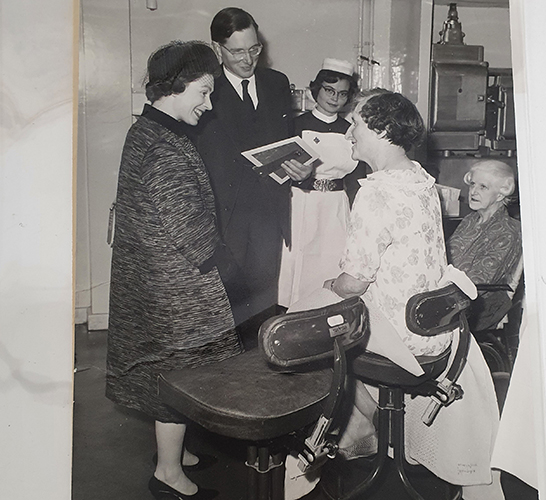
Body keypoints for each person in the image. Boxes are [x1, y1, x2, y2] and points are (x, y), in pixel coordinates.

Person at [320, 89, 504, 500]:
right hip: (437, 328)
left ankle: (365, 432)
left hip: (400, 340)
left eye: (357, 124)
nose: (349, 132)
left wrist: (331, 285)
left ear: (383, 131)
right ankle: (383, 432)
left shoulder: (376, 193)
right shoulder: (420, 178)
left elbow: (355, 280)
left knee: (313, 331)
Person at [105, 41, 243, 500]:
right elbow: (188, 228)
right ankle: (167, 472)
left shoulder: (148, 130)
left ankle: (175, 452)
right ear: (174, 87)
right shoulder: (164, 148)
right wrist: (228, 265)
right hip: (173, 284)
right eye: (202, 93)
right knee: (178, 376)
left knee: (173, 373)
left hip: (154, 274)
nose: (208, 105)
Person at [188, 7, 312, 331]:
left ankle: (261, 374)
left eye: (254, 49)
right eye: (237, 51)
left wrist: (300, 170)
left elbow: (286, 144)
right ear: (218, 49)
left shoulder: (276, 83)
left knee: (263, 306)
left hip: (269, 213)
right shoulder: (203, 88)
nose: (248, 59)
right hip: (222, 218)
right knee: (224, 308)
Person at [278, 58, 366, 308]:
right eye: (329, 90)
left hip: (335, 208)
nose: (335, 98)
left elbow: (356, 180)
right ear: (316, 89)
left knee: (330, 265)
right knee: (298, 267)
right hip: (301, 204)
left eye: (342, 93)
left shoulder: (351, 131)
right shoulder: (296, 125)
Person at [447, 160, 522, 331]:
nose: (473, 191)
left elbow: (480, 280)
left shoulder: (508, 231)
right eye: (473, 184)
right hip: (452, 292)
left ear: (500, 194)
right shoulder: (469, 220)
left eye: (483, 187)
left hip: (479, 306)